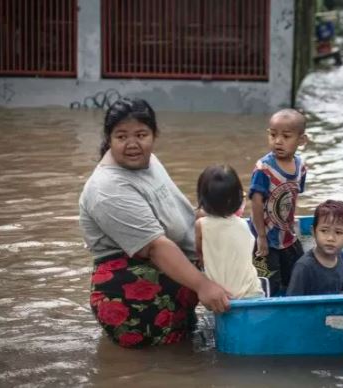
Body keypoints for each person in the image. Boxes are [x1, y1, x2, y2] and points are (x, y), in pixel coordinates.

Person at [79, 98, 231, 348]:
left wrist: (223, 223)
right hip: (135, 302)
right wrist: (204, 285)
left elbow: (179, 212)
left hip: (175, 283)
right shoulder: (106, 188)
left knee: (185, 353)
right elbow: (156, 247)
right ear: (109, 138)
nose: (132, 145)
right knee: (161, 366)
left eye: (141, 134)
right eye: (121, 137)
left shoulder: (148, 161)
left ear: (154, 134)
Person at [248, 109, 308, 296]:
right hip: (265, 237)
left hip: (287, 235)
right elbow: (256, 203)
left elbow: (292, 196)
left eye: (286, 136)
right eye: (273, 135)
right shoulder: (264, 169)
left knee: (298, 274)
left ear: (301, 140)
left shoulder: (300, 167)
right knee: (268, 284)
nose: (278, 141)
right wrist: (262, 237)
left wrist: (291, 223)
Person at [195, 165, 265, 299]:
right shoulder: (243, 225)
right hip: (253, 292)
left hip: (222, 297)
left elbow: (200, 253)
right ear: (237, 199)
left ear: (202, 198)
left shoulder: (201, 225)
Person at [286, 200, 343, 296]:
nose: (330, 238)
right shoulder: (304, 267)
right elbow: (291, 304)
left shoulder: (341, 257)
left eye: (338, 232)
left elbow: (342, 292)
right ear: (313, 232)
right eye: (324, 231)